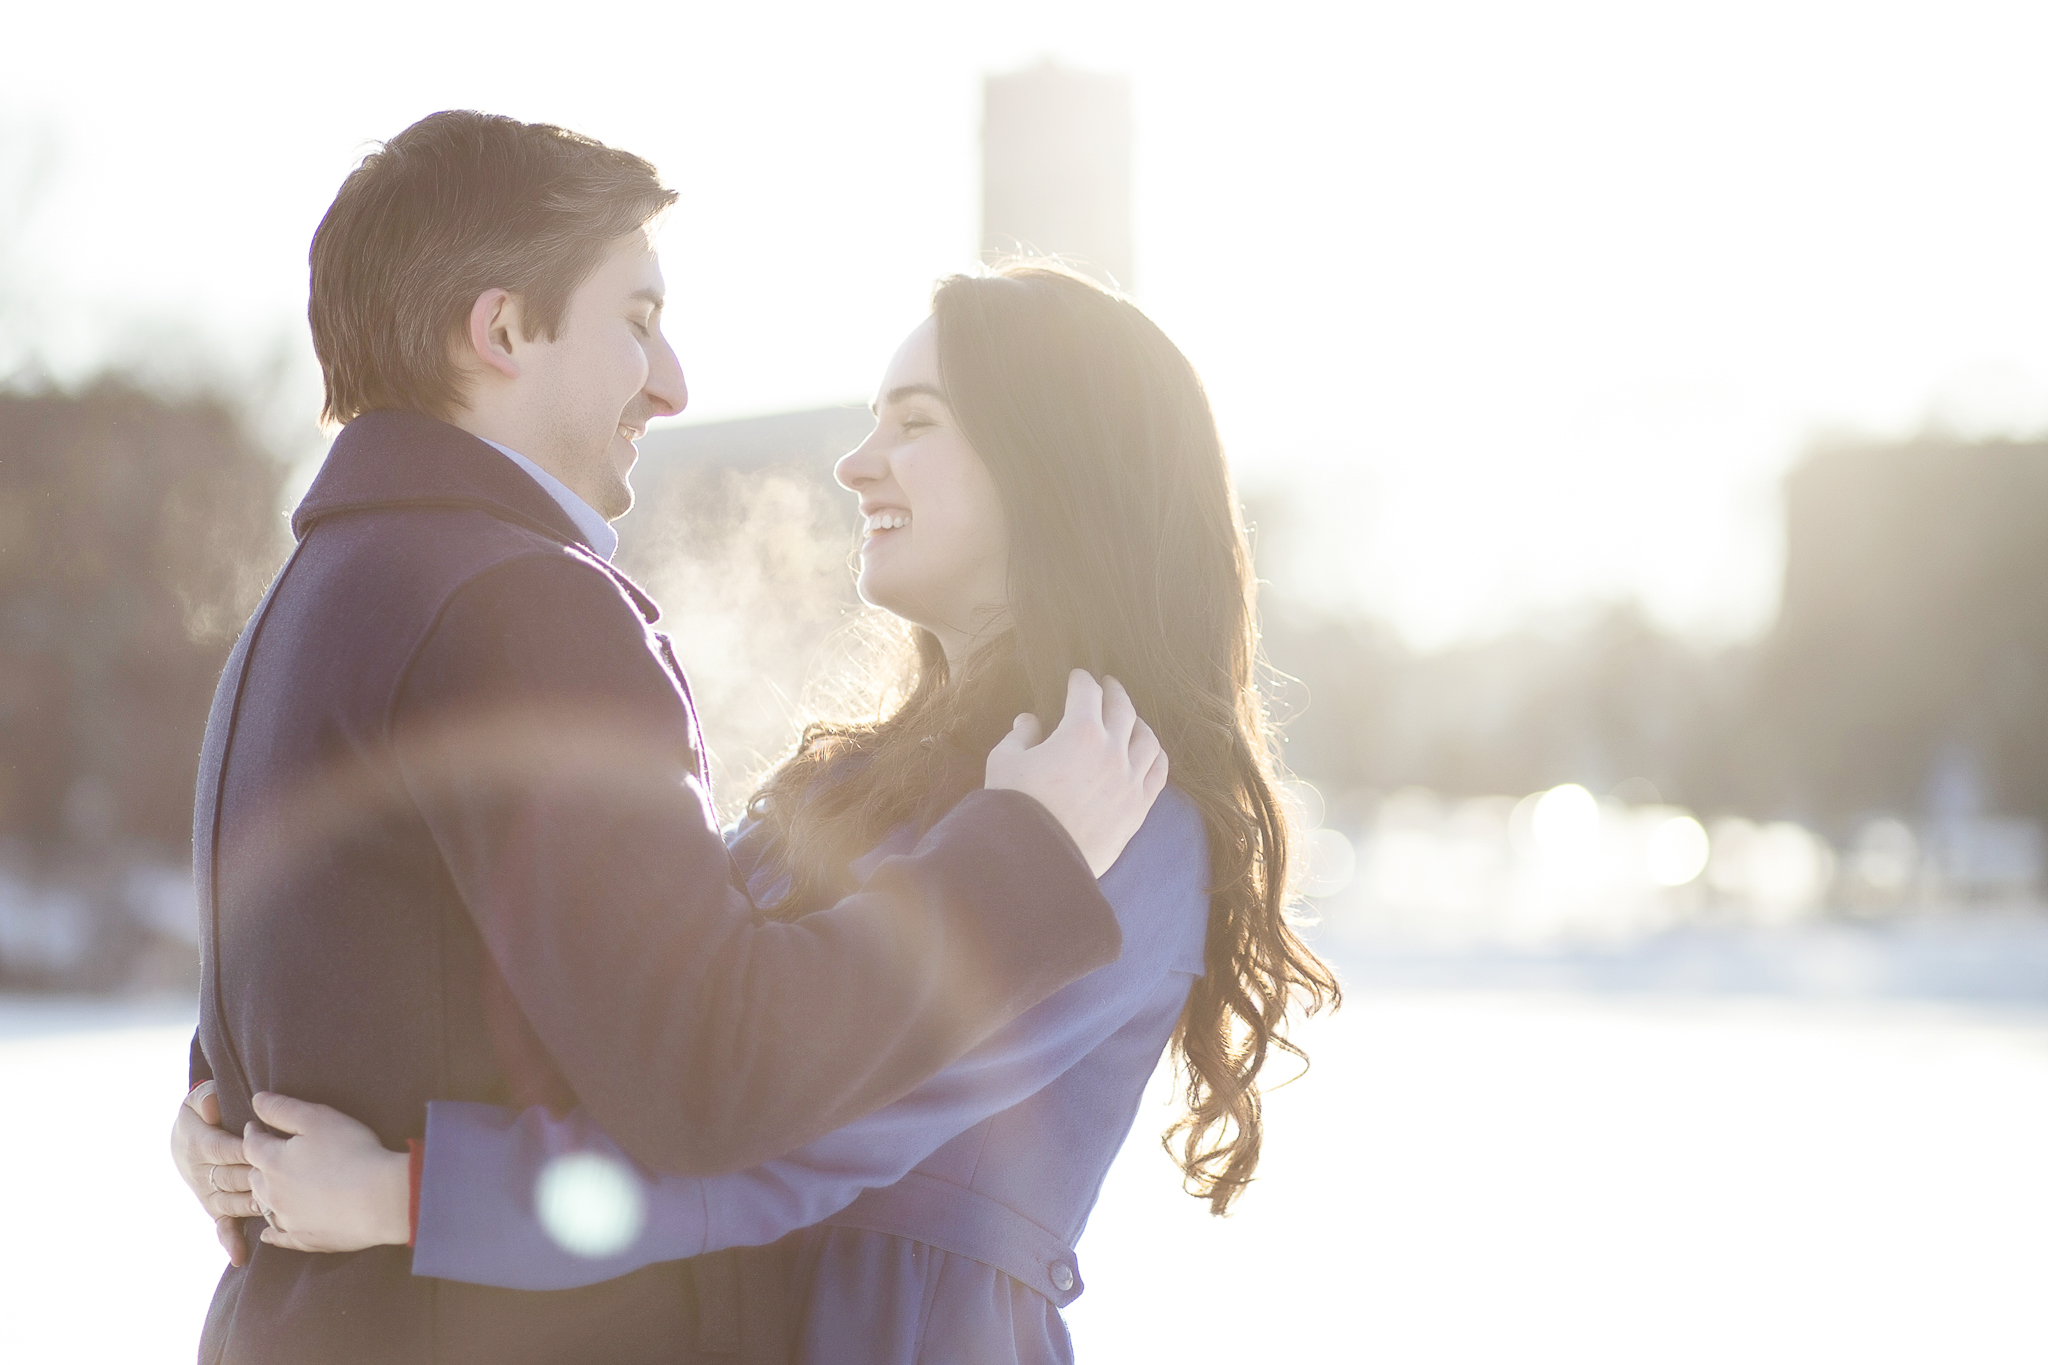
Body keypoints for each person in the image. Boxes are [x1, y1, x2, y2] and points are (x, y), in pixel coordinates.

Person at [177, 263, 1340, 1364]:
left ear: (1060, 462)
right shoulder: (852, 788)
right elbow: (630, 1012)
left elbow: (779, 1140)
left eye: (915, 422)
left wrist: (408, 1195)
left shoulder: (1115, 808)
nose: (855, 464)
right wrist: (237, 1098)